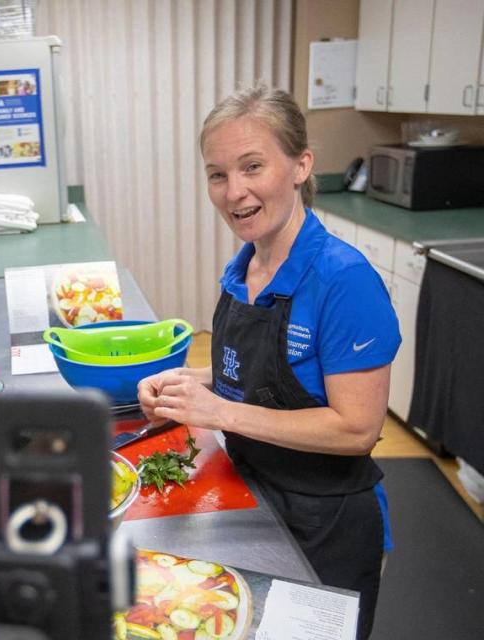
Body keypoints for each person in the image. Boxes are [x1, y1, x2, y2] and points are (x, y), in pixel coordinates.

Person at [137, 85, 400, 639]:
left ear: (301, 165)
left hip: (325, 523)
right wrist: (190, 384)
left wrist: (219, 414)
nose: (235, 192)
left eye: (253, 166)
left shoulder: (343, 280)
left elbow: (356, 428)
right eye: (217, 174)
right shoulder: (243, 271)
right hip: (255, 496)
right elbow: (259, 374)